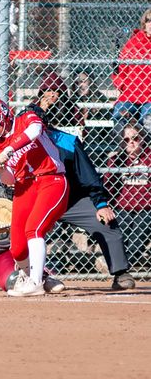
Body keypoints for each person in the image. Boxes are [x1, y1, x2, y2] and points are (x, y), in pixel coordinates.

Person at [25, 98, 136, 290]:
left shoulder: (67, 141)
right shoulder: (19, 143)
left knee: (106, 223)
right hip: (34, 200)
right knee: (6, 225)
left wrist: (101, 204)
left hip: (71, 200)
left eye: (35, 121)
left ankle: (120, 273)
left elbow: (88, 175)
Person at [0, 98, 69, 297]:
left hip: (50, 179)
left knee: (33, 229)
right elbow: (8, 179)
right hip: (24, 186)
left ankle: (35, 283)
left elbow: (35, 130)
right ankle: (39, 276)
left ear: (4, 114)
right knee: (17, 248)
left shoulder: (25, 119)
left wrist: (10, 149)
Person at [105, 121, 151, 268]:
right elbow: (108, 185)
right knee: (120, 236)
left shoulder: (149, 157)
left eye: (135, 138)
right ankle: (122, 265)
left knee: (138, 238)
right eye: (126, 140)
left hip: (146, 208)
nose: (131, 142)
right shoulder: (117, 159)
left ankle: (125, 265)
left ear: (142, 139)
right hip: (122, 207)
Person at [111, 8, 151, 125]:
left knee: (148, 120)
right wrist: (122, 85)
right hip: (131, 94)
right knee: (119, 114)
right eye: (148, 21)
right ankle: (124, 142)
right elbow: (120, 71)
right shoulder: (133, 43)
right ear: (144, 25)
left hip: (149, 97)